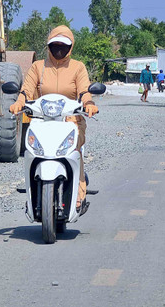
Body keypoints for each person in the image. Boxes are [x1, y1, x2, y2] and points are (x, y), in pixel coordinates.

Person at [8, 25, 99, 214]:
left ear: (71, 46)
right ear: (48, 45)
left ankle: (79, 194)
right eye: (55, 45)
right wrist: (19, 101)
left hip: (71, 121)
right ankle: (33, 187)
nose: (59, 49)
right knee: (32, 151)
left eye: (63, 45)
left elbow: (84, 90)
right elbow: (27, 89)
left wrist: (89, 103)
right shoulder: (38, 67)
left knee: (74, 151)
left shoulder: (78, 67)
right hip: (42, 121)